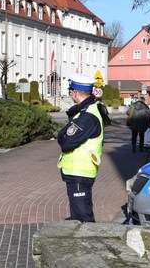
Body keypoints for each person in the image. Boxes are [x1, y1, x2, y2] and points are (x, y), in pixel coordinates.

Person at [57, 73, 105, 223]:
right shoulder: (87, 111)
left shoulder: (87, 116)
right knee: (79, 214)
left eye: (71, 91)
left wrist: (63, 135)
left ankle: (89, 244)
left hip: (79, 172)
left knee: (83, 216)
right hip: (77, 172)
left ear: (75, 92)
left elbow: (66, 142)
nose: (70, 94)